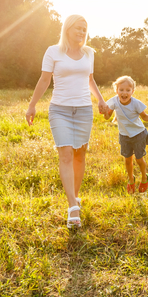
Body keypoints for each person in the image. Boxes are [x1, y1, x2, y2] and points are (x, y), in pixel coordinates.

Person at [25, 14, 108, 228]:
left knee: (80, 154)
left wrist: (100, 100)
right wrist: (32, 105)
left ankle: (74, 199)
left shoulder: (89, 53)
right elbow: (44, 79)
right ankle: (73, 207)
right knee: (66, 153)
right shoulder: (53, 52)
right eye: (78, 28)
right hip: (59, 110)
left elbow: (90, 79)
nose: (81, 32)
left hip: (83, 110)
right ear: (68, 29)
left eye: (84, 29)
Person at [102, 76, 148, 194]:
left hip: (139, 134)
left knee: (139, 159)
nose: (124, 93)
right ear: (116, 90)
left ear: (132, 91)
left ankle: (144, 178)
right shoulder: (113, 101)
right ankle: (131, 179)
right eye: (121, 90)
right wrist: (104, 112)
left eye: (128, 90)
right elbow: (107, 117)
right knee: (128, 160)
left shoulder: (136, 103)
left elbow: (144, 117)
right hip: (124, 136)